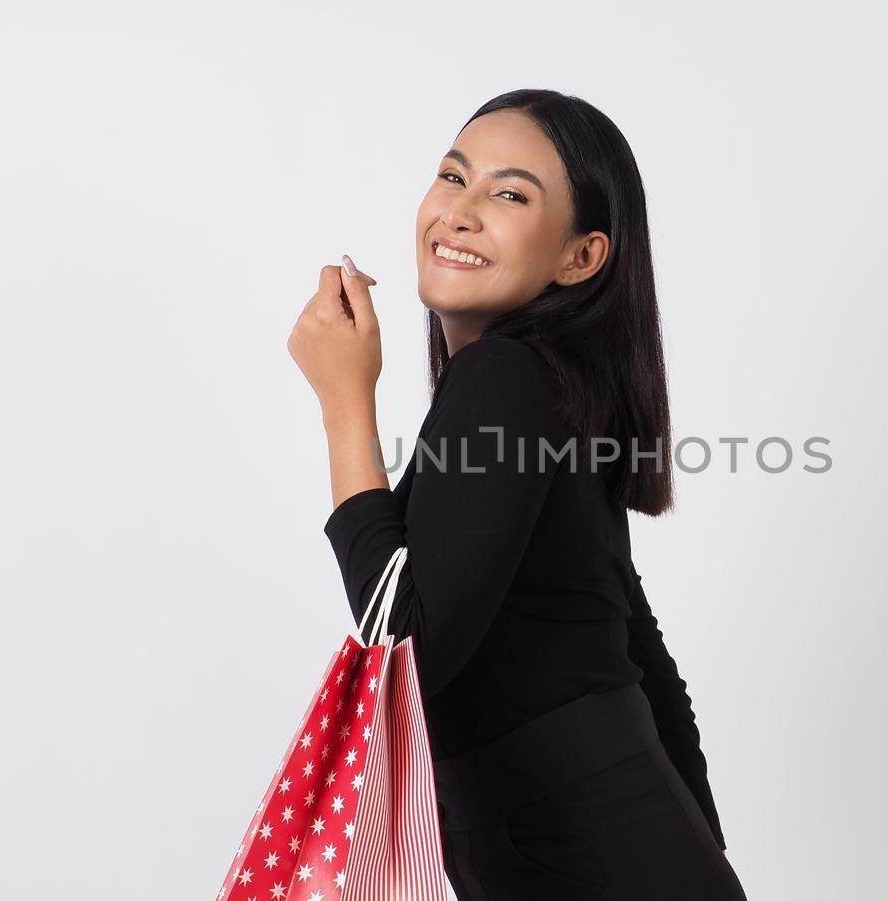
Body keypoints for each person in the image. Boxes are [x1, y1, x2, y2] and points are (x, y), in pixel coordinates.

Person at [288, 88, 747, 901]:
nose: (460, 212)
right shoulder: (548, 389)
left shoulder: (504, 379)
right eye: (452, 176)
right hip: (617, 849)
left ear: (581, 257)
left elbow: (402, 645)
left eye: (508, 194)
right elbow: (636, 647)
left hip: (587, 855)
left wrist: (344, 401)